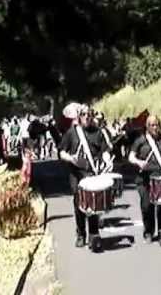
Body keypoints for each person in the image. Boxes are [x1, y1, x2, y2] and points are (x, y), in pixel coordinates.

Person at [59, 104, 110, 252]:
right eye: (83, 114)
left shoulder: (98, 132)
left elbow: (105, 150)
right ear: (79, 116)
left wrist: (106, 158)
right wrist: (71, 159)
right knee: (79, 204)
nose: (86, 117)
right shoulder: (72, 133)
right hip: (76, 174)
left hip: (92, 172)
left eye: (89, 114)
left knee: (93, 204)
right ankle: (81, 233)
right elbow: (62, 151)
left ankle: (94, 234)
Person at [128, 115, 161, 245]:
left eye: (156, 124)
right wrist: (139, 162)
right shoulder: (140, 141)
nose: (155, 127)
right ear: (147, 126)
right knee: (147, 206)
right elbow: (131, 157)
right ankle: (148, 232)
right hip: (144, 178)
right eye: (151, 125)